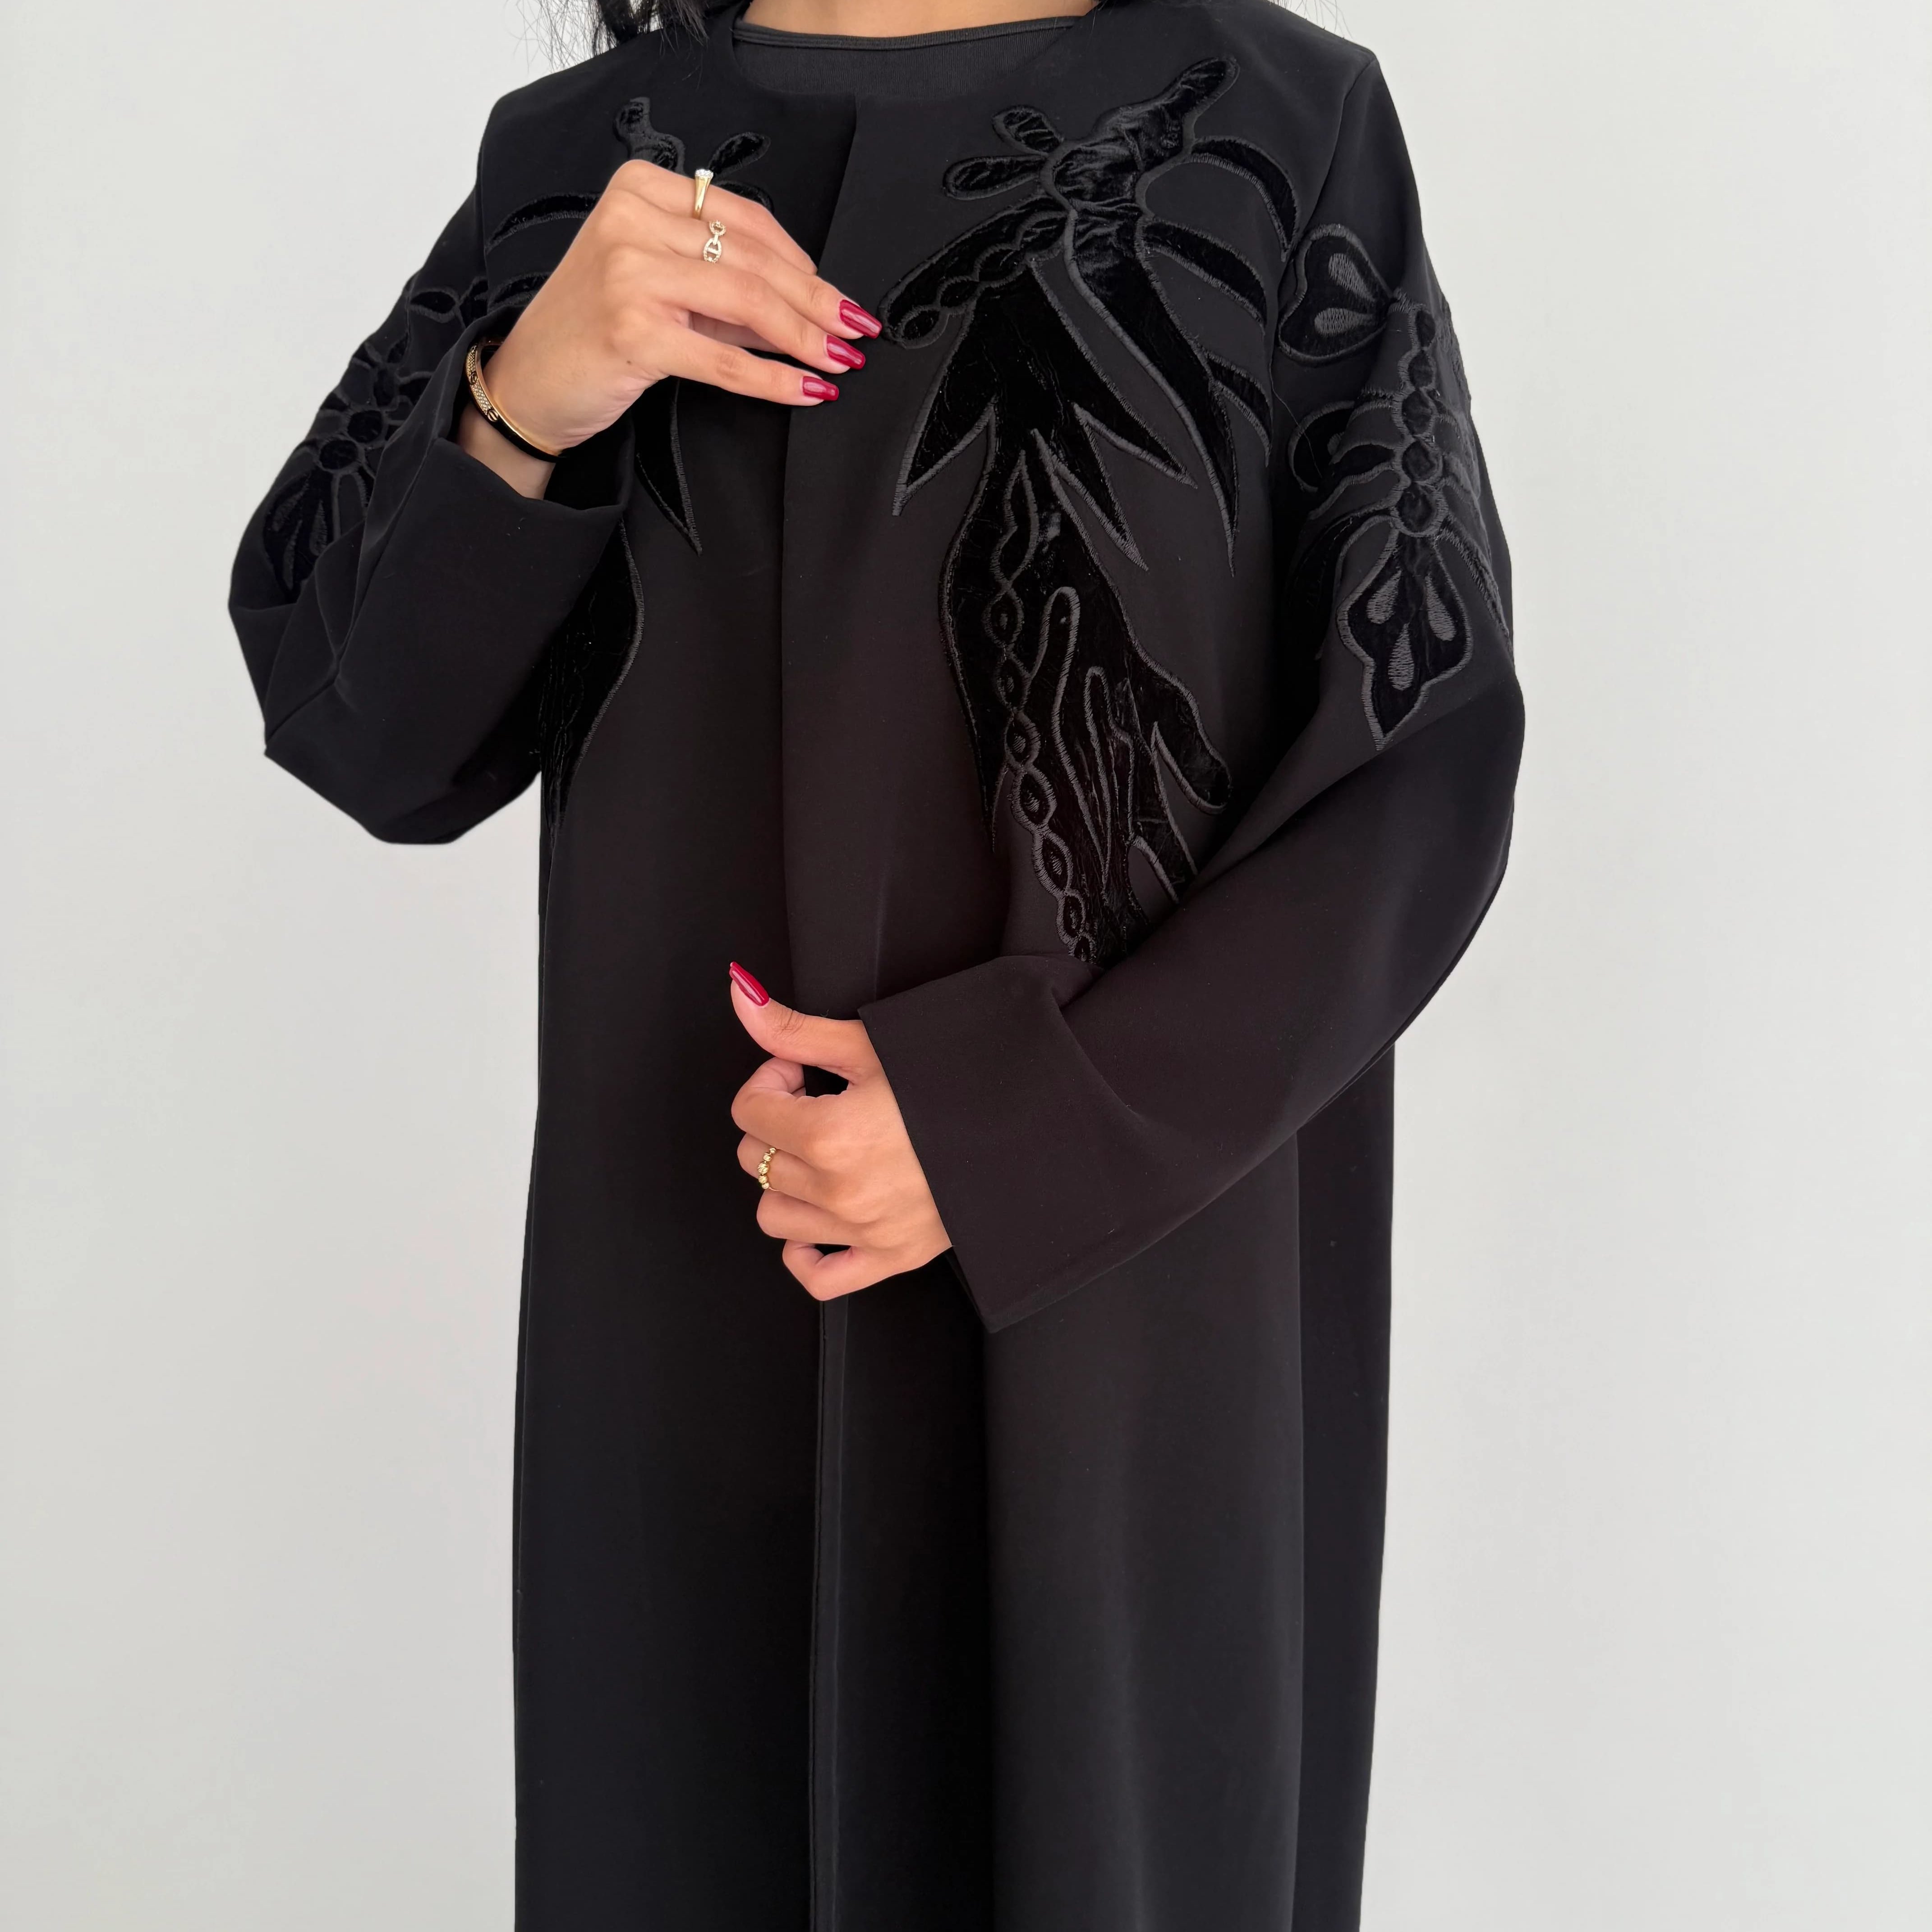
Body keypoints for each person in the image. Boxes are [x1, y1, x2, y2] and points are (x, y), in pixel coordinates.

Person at [229, 0, 1523, 1923]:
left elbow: (1413, 760)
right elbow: (363, 729)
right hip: (695, 1323)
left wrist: (1016, 1128)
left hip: (1121, 1332)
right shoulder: (583, 159)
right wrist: (523, 404)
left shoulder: (1271, 122)